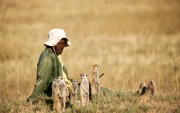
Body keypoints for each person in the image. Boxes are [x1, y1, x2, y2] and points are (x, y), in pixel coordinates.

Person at [27, 28, 72, 103]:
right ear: (52, 44)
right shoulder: (48, 59)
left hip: (67, 90)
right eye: (58, 43)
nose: (61, 46)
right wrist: (32, 100)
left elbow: (65, 78)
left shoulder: (56, 56)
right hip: (59, 94)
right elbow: (41, 81)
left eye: (63, 43)